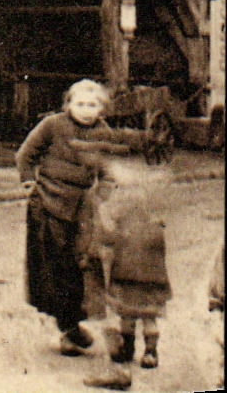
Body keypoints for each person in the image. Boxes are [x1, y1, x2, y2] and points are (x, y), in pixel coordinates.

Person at [15, 78, 116, 355]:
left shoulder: (104, 133)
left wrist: (101, 195)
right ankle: (68, 329)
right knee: (54, 269)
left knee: (81, 267)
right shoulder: (52, 125)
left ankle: (72, 326)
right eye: (80, 104)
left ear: (101, 108)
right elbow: (25, 155)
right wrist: (29, 184)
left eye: (92, 105)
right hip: (47, 207)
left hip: (81, 210)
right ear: (68, 104)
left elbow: (108, 171)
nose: (86, 110)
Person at [80, 158, 171, 390]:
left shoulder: (121, 213)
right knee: (149, 316)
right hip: (153, 277)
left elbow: (108, 236)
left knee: (126, 315)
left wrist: (102, 216)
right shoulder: (154, 217)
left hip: (126, 275)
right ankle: (150, 352)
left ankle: (126, 351)